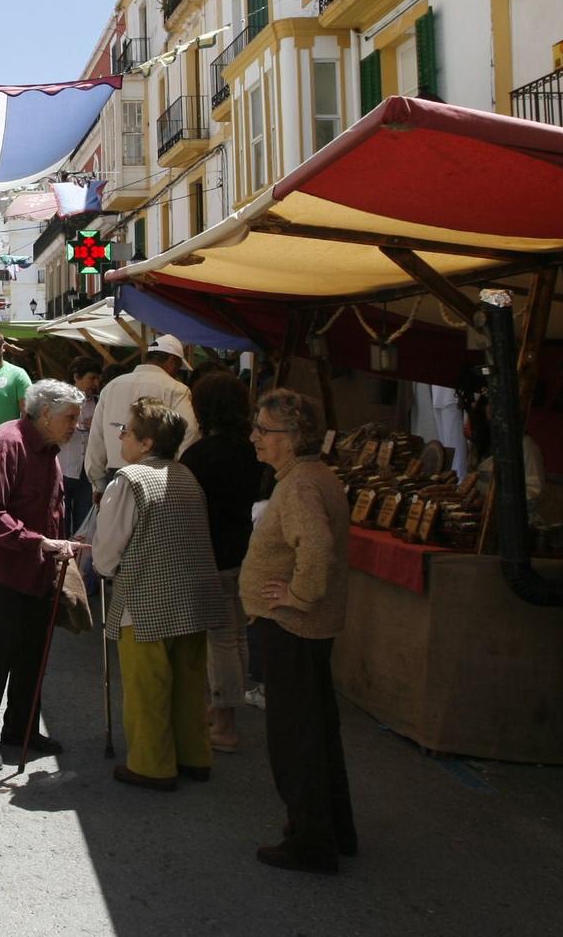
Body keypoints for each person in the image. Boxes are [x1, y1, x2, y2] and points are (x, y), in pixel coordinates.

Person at [244, 388, 356, 873]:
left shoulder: (301, 485)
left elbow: (315, 547)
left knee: (296, 738)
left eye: (264, 431)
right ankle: (334, 831)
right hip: (298, 628)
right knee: (316, 731)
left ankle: (311, 841)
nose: (255, 438)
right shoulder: (306, 477)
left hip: (293, 626)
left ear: (291, 438)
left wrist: (299, 596)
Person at [92, 399, 227, 789]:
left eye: (127, 431)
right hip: (193, 594)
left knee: (147, 685)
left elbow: (109, 546)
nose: (120, 436)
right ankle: (194, 755)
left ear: (147, 442)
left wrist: (103, 568)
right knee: (188, 682)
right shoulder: (186, 475)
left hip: (147, 599)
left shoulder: (129, 479)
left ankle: (152, 764)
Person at [0, 379, 84, 771]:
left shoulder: (48, 448)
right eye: (70, 417)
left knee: (33, 655)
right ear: (45, 412)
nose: (76, 426)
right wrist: (37, 541)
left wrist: (58, 543)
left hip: (39, 568)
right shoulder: (7, 442)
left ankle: (21, 729)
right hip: (7, 569)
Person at [183, 370, 267, 753]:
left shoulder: (201, 454)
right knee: (234, 635)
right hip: (243, 549)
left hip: (210, 553)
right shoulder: (253, 450)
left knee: (220, 638)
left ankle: (226, 722)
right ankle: (222, 710)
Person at [84, 334, 199, 490]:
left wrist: (98, 483)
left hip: (115, 476)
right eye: (178, 368)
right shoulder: (177, 389)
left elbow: (97, 438)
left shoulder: (112, 387)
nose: (176, 373)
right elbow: (189, 431)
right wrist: (173, 465)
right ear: (172, 362)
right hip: (156, 475)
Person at [60, 357, 102, 534]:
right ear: (76, 376)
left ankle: (77, 557)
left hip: (87, 473)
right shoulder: (60, 401)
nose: (95, 383)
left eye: (97, 379)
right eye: (91, 378)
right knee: (61, 518)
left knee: (84, 522)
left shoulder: (100, 402)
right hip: (63, 468)